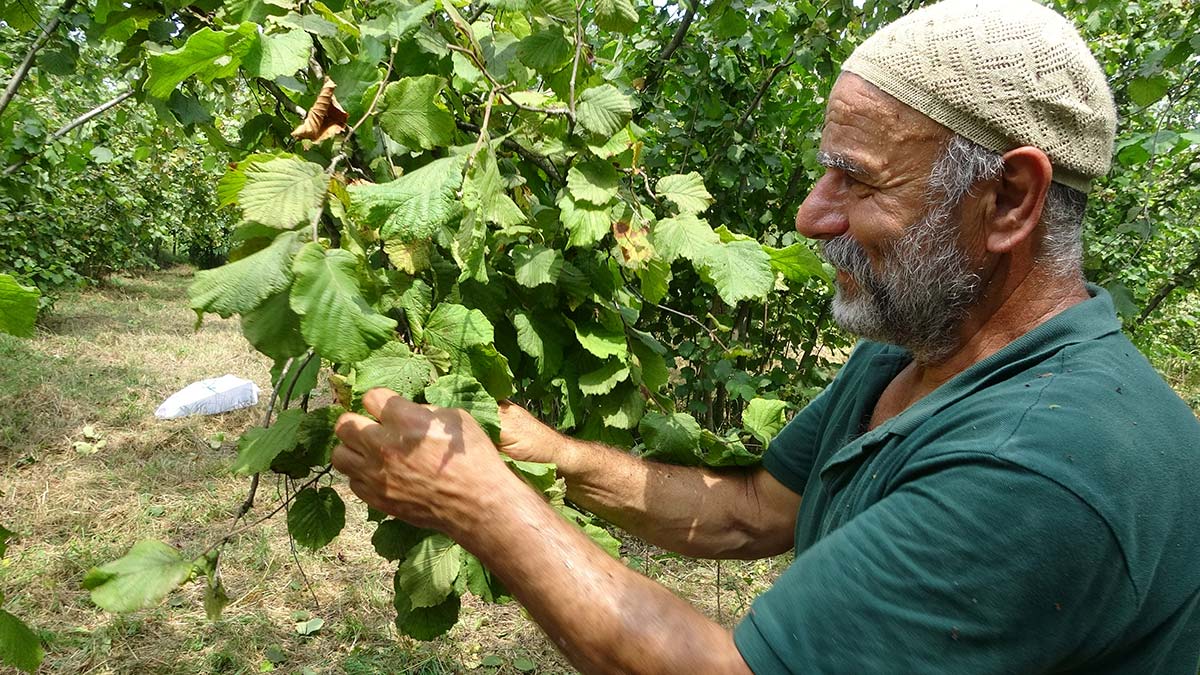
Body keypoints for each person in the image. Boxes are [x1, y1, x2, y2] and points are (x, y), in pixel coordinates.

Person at [332, 0, 1200, 671]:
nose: (811, 213)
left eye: (855, 180)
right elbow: (750, 512)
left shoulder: (1041, 465)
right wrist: (549, 454)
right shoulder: (919, 355)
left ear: (1009, 200)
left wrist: (480, 502)